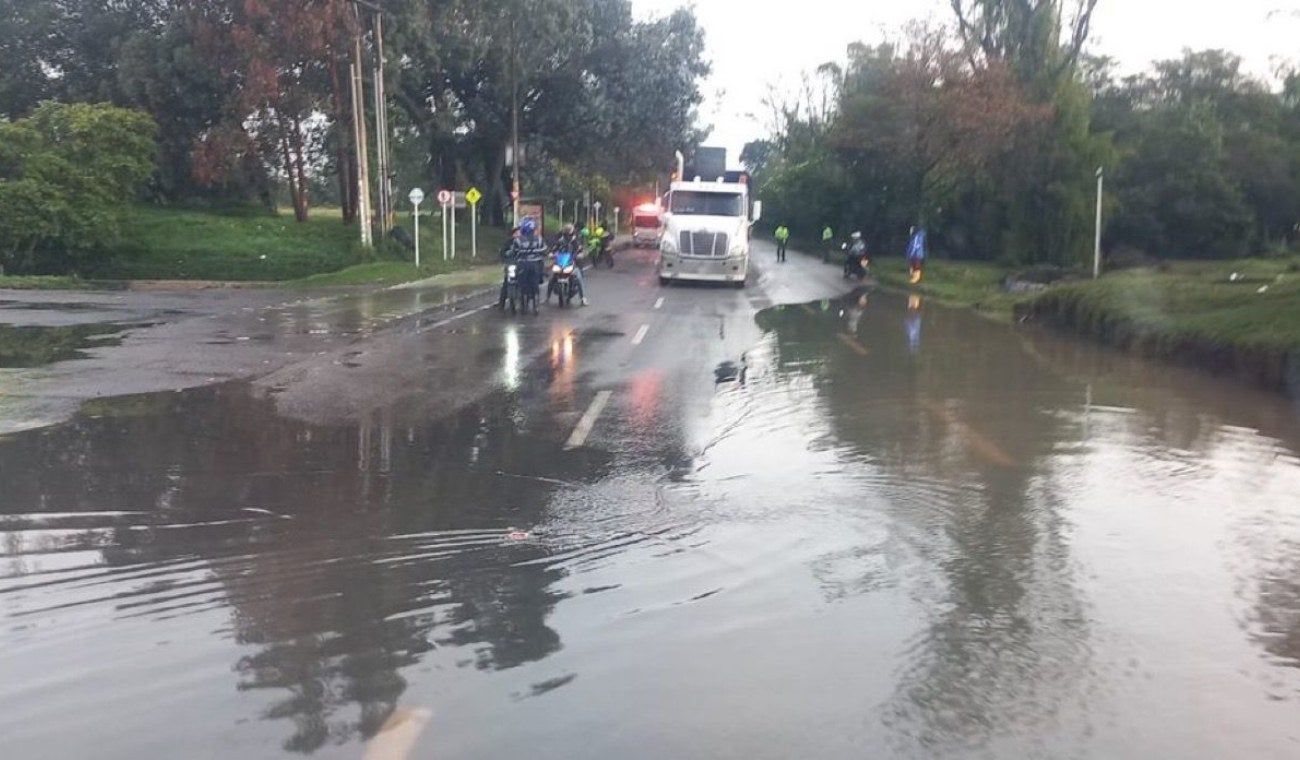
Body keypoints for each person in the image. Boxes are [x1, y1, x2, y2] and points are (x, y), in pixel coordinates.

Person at [500, 217, 547, 309]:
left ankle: (530, 296)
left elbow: (513, 251)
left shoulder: (519, 241)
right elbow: (544, 250)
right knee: (510, 280)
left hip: (523, 265)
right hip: (533, 265)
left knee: (523, 281)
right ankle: (534, 296)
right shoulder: (539, 239)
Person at [550, 223, 588, 305]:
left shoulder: (575, 241)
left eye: (569, 233)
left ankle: (582, 298)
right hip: (561, 262)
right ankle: (547, 297)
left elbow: (580, 250)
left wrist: (580, 255)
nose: (568, 236)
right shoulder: (560, 241)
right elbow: (554, 249)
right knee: (553, 277)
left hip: (572, 262)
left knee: (578, 278)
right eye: (566, 233)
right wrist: (552, 254)